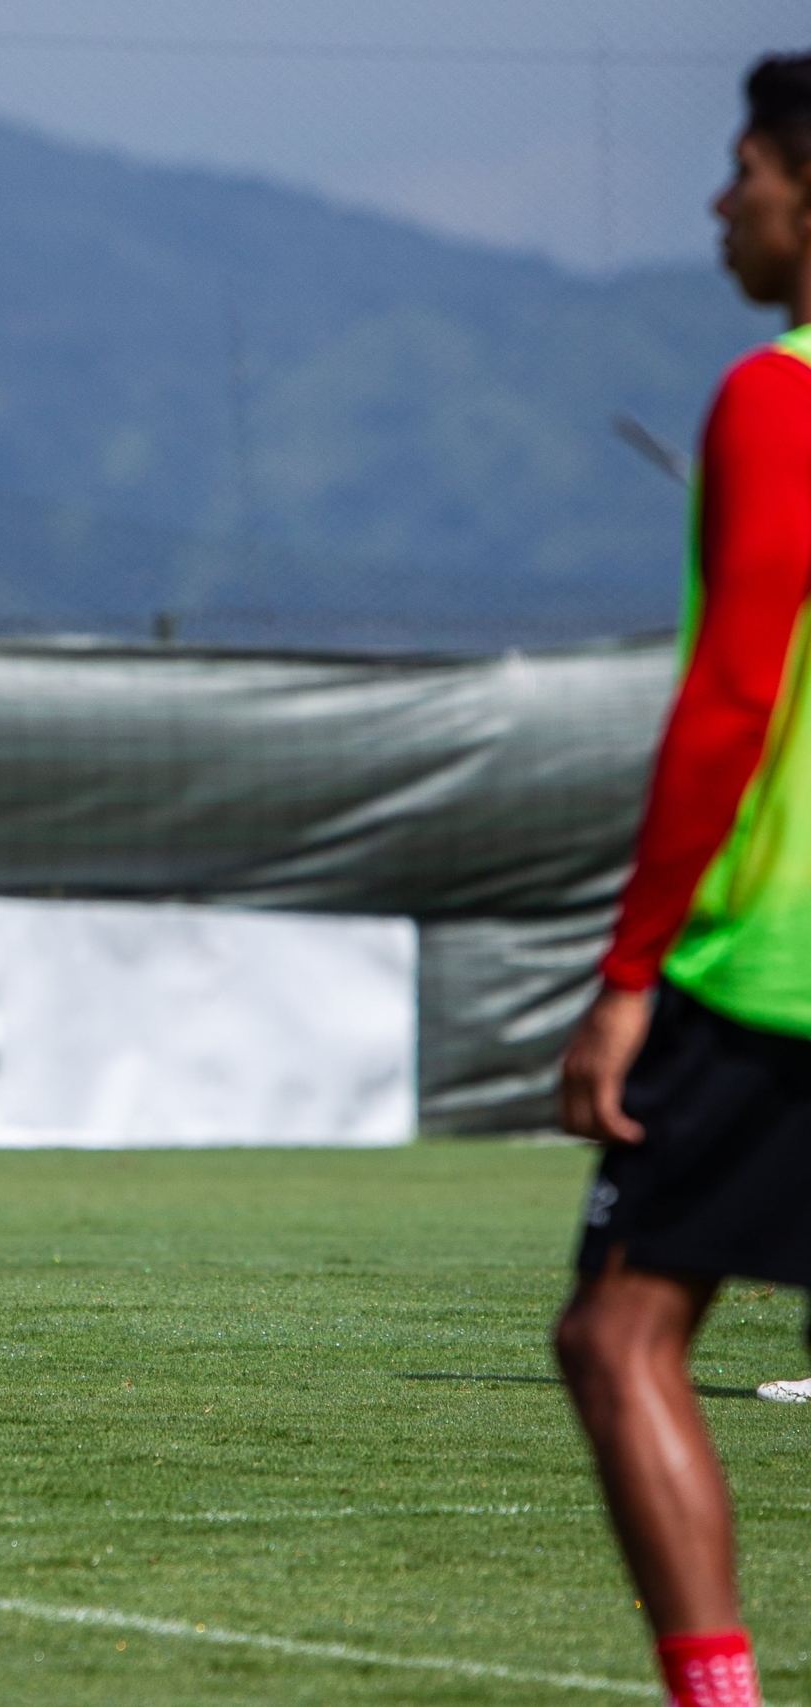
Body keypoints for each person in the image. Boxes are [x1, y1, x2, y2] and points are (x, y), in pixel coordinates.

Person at [552, 53, 811, 1707]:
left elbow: (731, 697)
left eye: (746, 172)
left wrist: (630, 970)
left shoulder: (779, 395)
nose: (723, 205)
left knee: (619, 1332)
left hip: (776, 963)